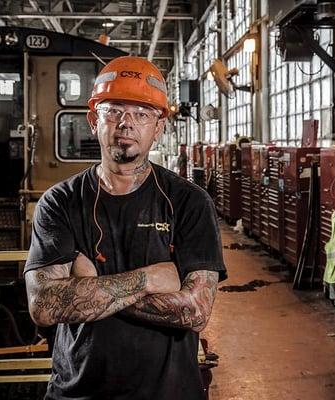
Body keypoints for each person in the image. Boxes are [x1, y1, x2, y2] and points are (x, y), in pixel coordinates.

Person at [24, 56, 227, 400]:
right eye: (114, 110)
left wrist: (87, 287)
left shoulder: (190, 202)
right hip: (78, 393)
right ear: (93, 120)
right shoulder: (60, 202)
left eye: (142, 113)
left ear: (159, 126)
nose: (126, 123)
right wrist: (148, 280)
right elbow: (44, 306)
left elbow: (194, 311)